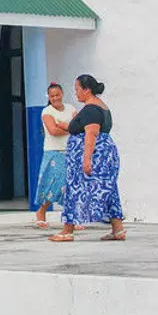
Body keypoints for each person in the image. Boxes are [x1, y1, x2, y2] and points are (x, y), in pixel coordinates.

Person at [50, 74, 125, 243]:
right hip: (105, 154)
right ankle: (117, 229)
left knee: (75, 189)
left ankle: (67, 231)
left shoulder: (91, 109)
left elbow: (91, 134)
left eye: (77, 89)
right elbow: (78, 128)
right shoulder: (101, 107)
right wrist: (65, 126)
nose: (76, 93)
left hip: (94, 155)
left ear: (87, 90)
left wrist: (86, 160)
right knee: (109, 189)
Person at [34, 83, 78, 229]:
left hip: (70, 151)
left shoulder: (71, 108)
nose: (55, 98)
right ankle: (41, 212)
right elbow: (53, 130)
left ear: (62, 94)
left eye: (57, 95)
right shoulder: (47, 111)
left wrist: (64, 126)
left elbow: (79, 126)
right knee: (51, 184)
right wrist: (70, 128)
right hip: (53, 152)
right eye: (52, 96)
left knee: (70, 186)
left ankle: (71, 219)